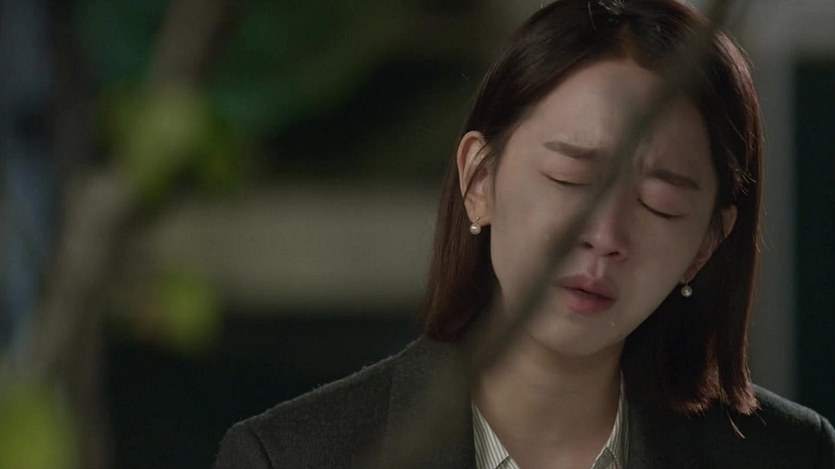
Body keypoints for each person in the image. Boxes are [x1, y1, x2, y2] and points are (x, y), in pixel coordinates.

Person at [214, 0, 835, 467]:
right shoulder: (290, 457)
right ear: (480, 179)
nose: (605, 235)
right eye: (570, 178)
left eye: (661, 204)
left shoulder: (788, 456)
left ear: (705, 245)